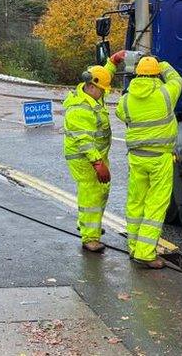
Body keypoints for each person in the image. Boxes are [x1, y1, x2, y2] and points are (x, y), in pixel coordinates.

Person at [115, 55, 182, 269]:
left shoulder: (126, 100)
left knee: (136, 202)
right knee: (156, 204)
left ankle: (134, 247)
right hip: (159, 157)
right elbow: (177, 79)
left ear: (137, 74)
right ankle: (145, 253)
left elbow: (119, 114)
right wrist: (163, 64)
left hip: (136, 158)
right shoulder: (165, 94)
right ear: (156, 74)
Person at [62, 55, 121, 252]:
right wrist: (97, 163)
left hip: (96, 155)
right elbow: (84, 142)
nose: (103, 94)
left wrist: (112, 62)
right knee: (91, 195)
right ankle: (90, 238)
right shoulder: (80, 109)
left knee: (100, 192)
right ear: (91, 87)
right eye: (102, 91)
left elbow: (102, 75)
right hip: (84, 158)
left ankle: (90, 226)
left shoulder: (93, 92)